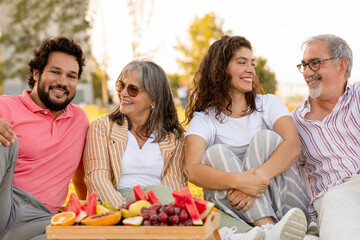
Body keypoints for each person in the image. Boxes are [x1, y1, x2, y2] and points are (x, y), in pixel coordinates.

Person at [185, 35, 310, 240]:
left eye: (251, 63)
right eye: (241, 62)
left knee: (266, 139)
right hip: (238, 216)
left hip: (287, 208)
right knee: (216, 154)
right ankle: (269, 228)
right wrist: (240, 181)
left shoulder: (268, 104)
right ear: (220, 69)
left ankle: (271, 230)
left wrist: (257, 180)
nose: (250, 69)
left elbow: (293, 146)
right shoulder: (204, 119)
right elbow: (193, 170)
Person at [0, 36, 89, 240]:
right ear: (36, 73)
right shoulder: (5, 105)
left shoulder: (80, 120)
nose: (62, 82)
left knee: (94, 236)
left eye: (71, 76)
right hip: (4, 200)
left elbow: (81, 177)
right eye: (55, 72)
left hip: (41, 220)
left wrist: (88, 213)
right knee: (3, 138)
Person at [83, 59, 187, 208]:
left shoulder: (173, 136)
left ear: (154, 98)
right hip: (115, 205)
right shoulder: (102, 127)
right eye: (121, 85)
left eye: (133, 89)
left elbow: (174, 185)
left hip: (160, 207)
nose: (123, 93)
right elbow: (97, 179)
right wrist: (126, 212)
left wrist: (161, 215)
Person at [292, 34, 360, 240]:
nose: (307, 73)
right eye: (304, 65)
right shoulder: (294, 121)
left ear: (341, 66)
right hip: (335, 193)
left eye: (315, 63)